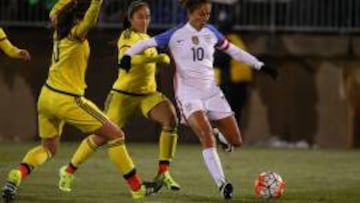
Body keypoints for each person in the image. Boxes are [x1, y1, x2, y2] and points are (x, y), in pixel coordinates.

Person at [1, 0, 160, 202]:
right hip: (68, 100)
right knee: (116, 134)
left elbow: (55, 10)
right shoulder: (77, 34)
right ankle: (137, 189)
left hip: (46, 96)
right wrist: (96, 2)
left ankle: (17, 175)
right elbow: (90, 20)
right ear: (78, 17)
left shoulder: (58, 27)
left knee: (48, 148)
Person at [118, 0, 278, 199]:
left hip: (211, 93)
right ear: (190, 13)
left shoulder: (211, 32)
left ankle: (219, 134)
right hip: (188, 95)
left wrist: (260, 65)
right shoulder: (175, 34)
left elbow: (234, 51)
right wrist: (126, 56)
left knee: (235, 141)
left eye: (208, 14)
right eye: (201, 14)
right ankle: (222, 185)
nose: (205, 18)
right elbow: (145, 43)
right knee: (205, 135)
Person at [57, 0, 180, 193]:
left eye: (147, 16)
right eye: (140, 17)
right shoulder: (127, 36)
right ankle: (68, 170)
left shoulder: (147, 38)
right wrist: (155, 58)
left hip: (147, 95)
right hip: (123, 97)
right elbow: (128, 60)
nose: (144, 20)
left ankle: (163, 172)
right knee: (101, 137)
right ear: (130, 19)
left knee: (171, 118)